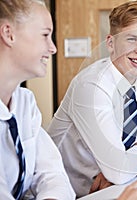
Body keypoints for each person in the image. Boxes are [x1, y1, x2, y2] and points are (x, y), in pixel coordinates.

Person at [47, 0, 137, 197]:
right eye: (132, 39)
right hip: (67, 193)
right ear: (111, 43)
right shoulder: (92, 85)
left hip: (114, 189)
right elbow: (119, 171)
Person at [0, 0, 75, 199]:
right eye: (45, 35)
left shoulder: (25, 102)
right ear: (9, 34)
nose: (53, 48)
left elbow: (52, 174)